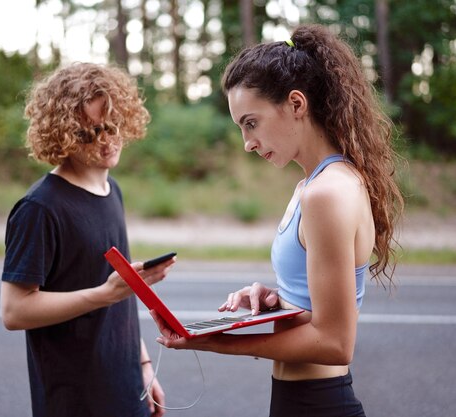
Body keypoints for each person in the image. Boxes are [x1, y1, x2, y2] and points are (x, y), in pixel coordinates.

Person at [151, 24, 404, 417]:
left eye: (251, 123)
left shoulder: (327, 193)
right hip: (297, 400)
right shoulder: (313, 185)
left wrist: (211, 341)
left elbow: (335, 342)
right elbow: (316, 309)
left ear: (297, 104)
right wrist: (278, 303)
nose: (247, 143)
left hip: (320, 404)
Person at [0, 62, 174, 417]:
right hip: (76, 399)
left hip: (126, 387)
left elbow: (120, 298)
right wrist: (103, 295)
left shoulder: (112, 190)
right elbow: (14, 311)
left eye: (111, 126)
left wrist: (142, 364)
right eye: (88, 132)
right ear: (61, 134)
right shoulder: (39, 208)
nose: (106, 140)